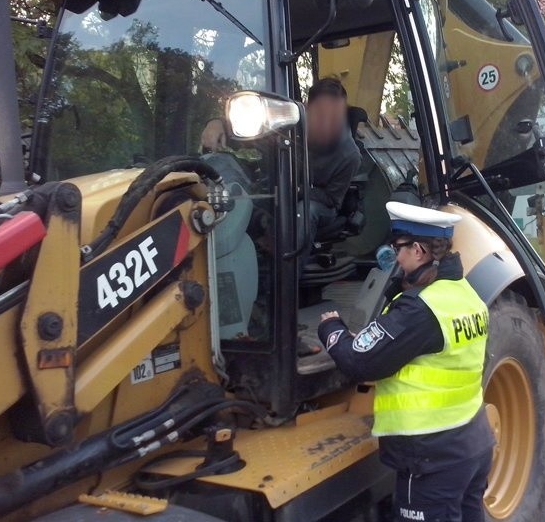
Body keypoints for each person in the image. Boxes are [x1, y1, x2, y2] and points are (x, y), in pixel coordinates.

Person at [317, 202, 494, 522]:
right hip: (472, 444)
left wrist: (332, 329)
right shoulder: (463, 292)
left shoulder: (419, 309)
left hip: (431, 458)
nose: (394, 256)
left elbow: (359, 363)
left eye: (398, 248)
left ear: (418, 250)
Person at [201, 77, 360, 246]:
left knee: (306, 211)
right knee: (225, 173)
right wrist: (219, 125)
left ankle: (292, 263)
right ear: (307, 108)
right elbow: (248, 135)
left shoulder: (350, 155)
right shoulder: (286, 124)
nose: (327, 122)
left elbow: (332, 199)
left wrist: (295, 190)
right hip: (276, 192)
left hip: (317, 206)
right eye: (320, 114)